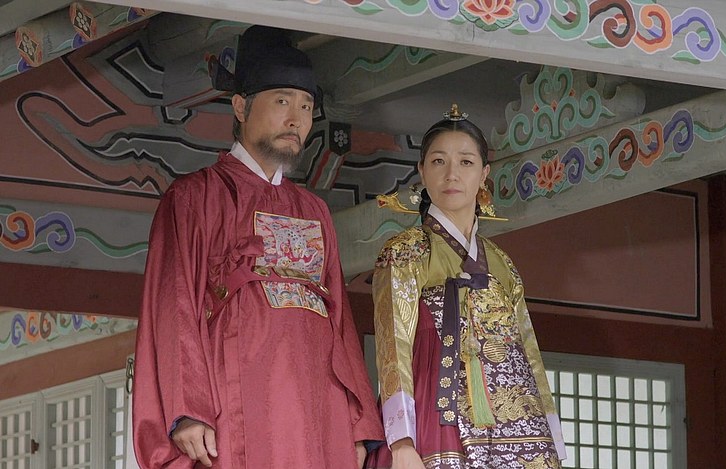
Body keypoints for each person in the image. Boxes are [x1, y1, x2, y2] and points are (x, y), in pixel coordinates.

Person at [132, 25, 383, 469]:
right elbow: (174, 306)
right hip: (235, 403)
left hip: (315, 406)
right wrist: (187, 410)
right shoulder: (195, 197)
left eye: (306, 107)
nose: (296, 119)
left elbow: (340, 318)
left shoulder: (313, 210)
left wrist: (358, 420)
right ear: (241, 106)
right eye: (282, 101)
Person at [367, 105, 567, 468]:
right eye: (439, 161)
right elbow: (392, 348)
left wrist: (548, 432)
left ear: (484, 173)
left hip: (512, 419)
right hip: (436, 411)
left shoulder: (502, 262)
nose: (452, 174)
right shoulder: (406, 251)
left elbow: (528, 352)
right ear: (422, 170)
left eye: (466, 162)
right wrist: (402, 442)